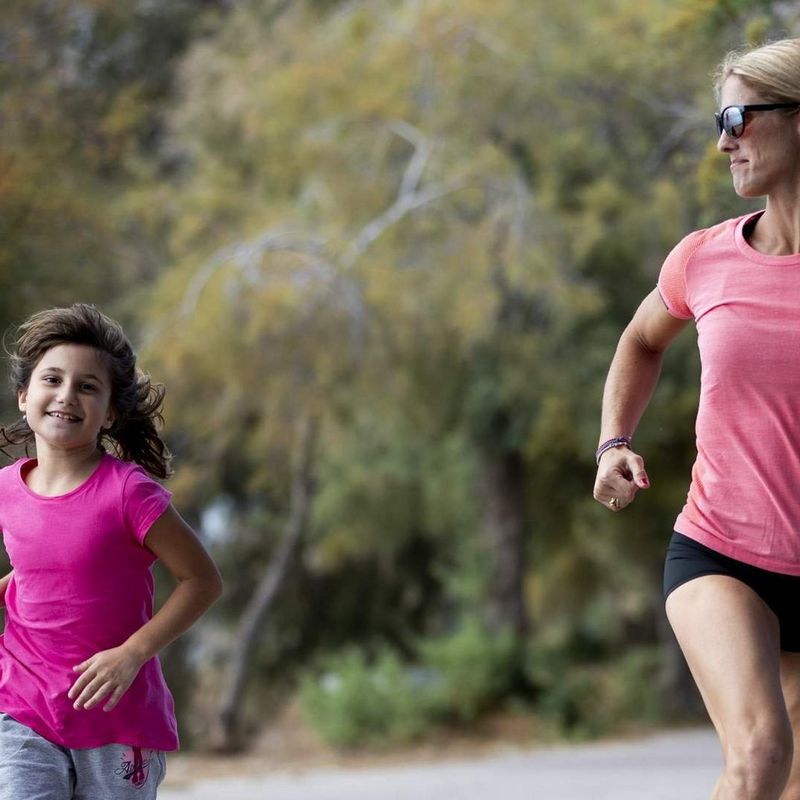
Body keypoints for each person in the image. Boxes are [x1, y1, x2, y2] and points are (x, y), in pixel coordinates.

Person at [593, 37, 800, 800]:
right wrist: (614, 441)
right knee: (759, 758)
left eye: (740, 116)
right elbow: (641, 339)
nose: (724, 141)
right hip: (722, 552)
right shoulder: (705, 258)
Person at [0, 304, 223, 799]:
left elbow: (203, 581)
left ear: (111, 412)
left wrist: (131, 654)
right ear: (23, 396)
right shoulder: (5, 490)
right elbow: (38, 572)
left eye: (87, 386)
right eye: (52, 379)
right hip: (25, 705)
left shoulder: (128, 493)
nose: (66, 396)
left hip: (116, 717)